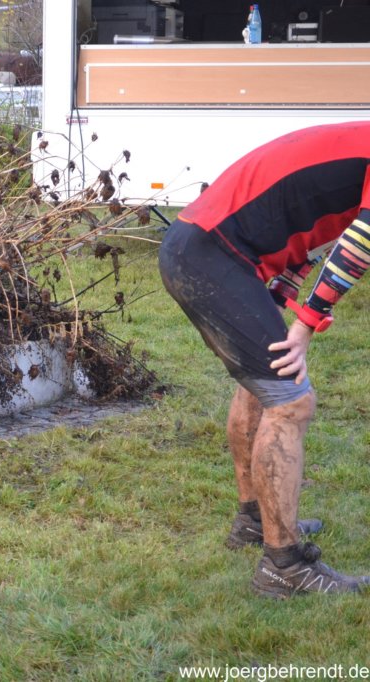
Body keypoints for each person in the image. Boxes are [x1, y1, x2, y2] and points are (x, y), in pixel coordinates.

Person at [159, 121, 370, 598]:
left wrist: (282, 293)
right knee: (290, 402)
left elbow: (308, 219)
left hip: (199, 245)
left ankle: (255, 521)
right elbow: (359, 243)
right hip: (213, 254)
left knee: (262, 385)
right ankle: (284, 566)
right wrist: (307, 322)